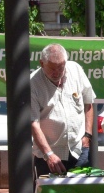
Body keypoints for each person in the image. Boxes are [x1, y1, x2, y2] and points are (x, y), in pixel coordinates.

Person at [30, 43, 96, 178]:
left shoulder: (76, 70)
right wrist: (48, 154)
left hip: (78, 149)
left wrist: (87, 135)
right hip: (48, 155)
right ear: (42, 63)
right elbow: (33, 123)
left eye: (61, 67)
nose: (57, 73)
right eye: (52, 68)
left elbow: (88, 102)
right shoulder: (33, 83)